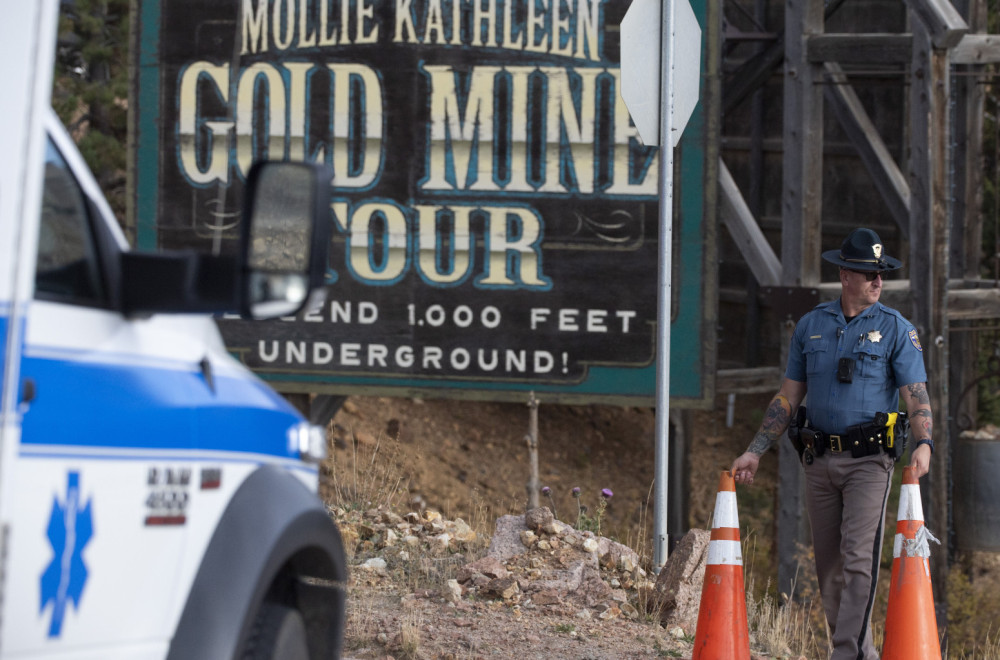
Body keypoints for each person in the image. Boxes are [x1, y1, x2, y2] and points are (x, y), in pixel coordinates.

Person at [730, 227, 934, 660]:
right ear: (845, 275)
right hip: (818, 459)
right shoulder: (812, 325)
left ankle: (844, 653)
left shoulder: (896, 329)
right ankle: (861, 653)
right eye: (869, 274)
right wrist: (756, 449)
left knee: (859, 560)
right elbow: (788, 395)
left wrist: (925, 443)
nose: (879, 281)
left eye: (882, 274)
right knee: (829, 567)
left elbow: (916, 393)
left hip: (869, 462)